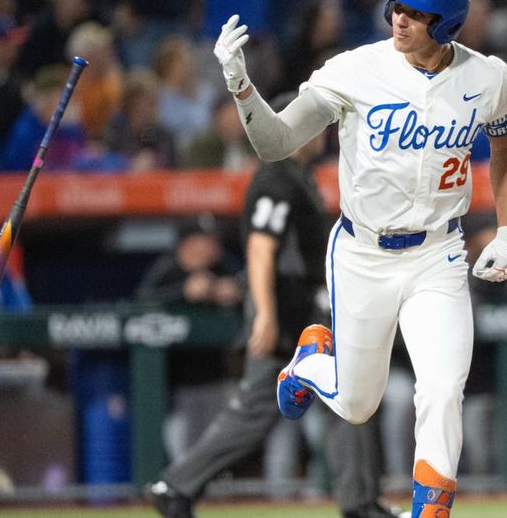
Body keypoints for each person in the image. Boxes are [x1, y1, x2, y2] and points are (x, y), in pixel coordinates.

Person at [218, 0, 507, 518]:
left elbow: (506, 148)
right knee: (358, 406)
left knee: (442, 384)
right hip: (363, 253)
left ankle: (431, 505)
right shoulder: (355, 70)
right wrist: (241, 86)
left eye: (414, 12)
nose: (398, 19)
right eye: (395, 6)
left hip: (439, 252)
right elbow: (276, 143)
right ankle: (310, 361)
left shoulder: (489, 78)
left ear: (448, 23)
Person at [149, 94, 397, 518]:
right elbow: (261, 248)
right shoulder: (277, 177)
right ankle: (175, 484)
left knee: (339, 400)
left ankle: (359, 502)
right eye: (313, 122)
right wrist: (263, 313)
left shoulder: (298, 175)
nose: (322, 131)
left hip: (302, 313)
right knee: (263, 410)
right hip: (285, 315)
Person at [136, 213, 244, 463]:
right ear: (187, 243)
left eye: (214, 240)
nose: (212, 247)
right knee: (181, 455)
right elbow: (141, 304)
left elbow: (249, 287)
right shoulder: (169, 269)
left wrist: (235, 292)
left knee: (217, 450)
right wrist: (183, 293)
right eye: (204, 240)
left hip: (217, 378)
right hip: (175, 385)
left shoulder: (223, 267)